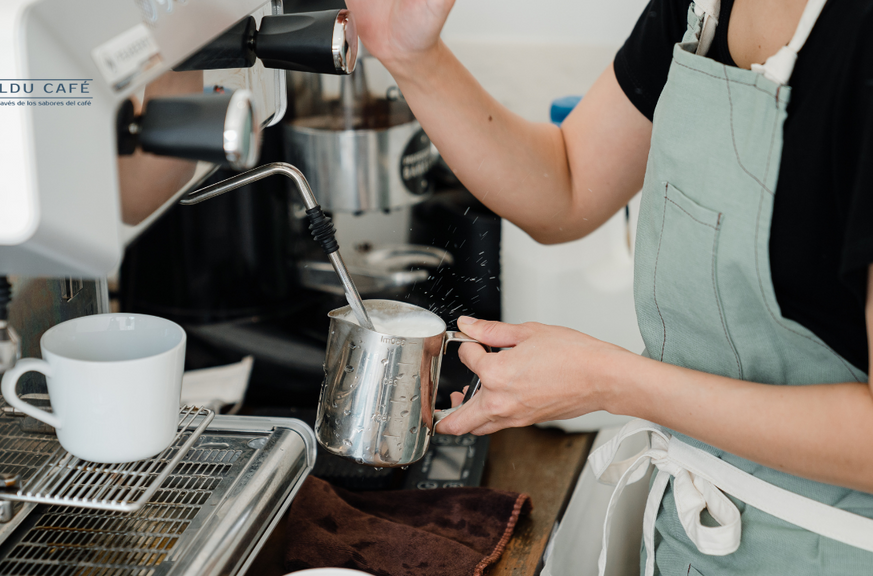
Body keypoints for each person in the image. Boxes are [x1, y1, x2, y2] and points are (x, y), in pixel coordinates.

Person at [344, 0, 873, 573]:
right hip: (699, 540)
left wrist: (610, 381)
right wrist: (410, 55)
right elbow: (567, 183)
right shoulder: (703, 9)